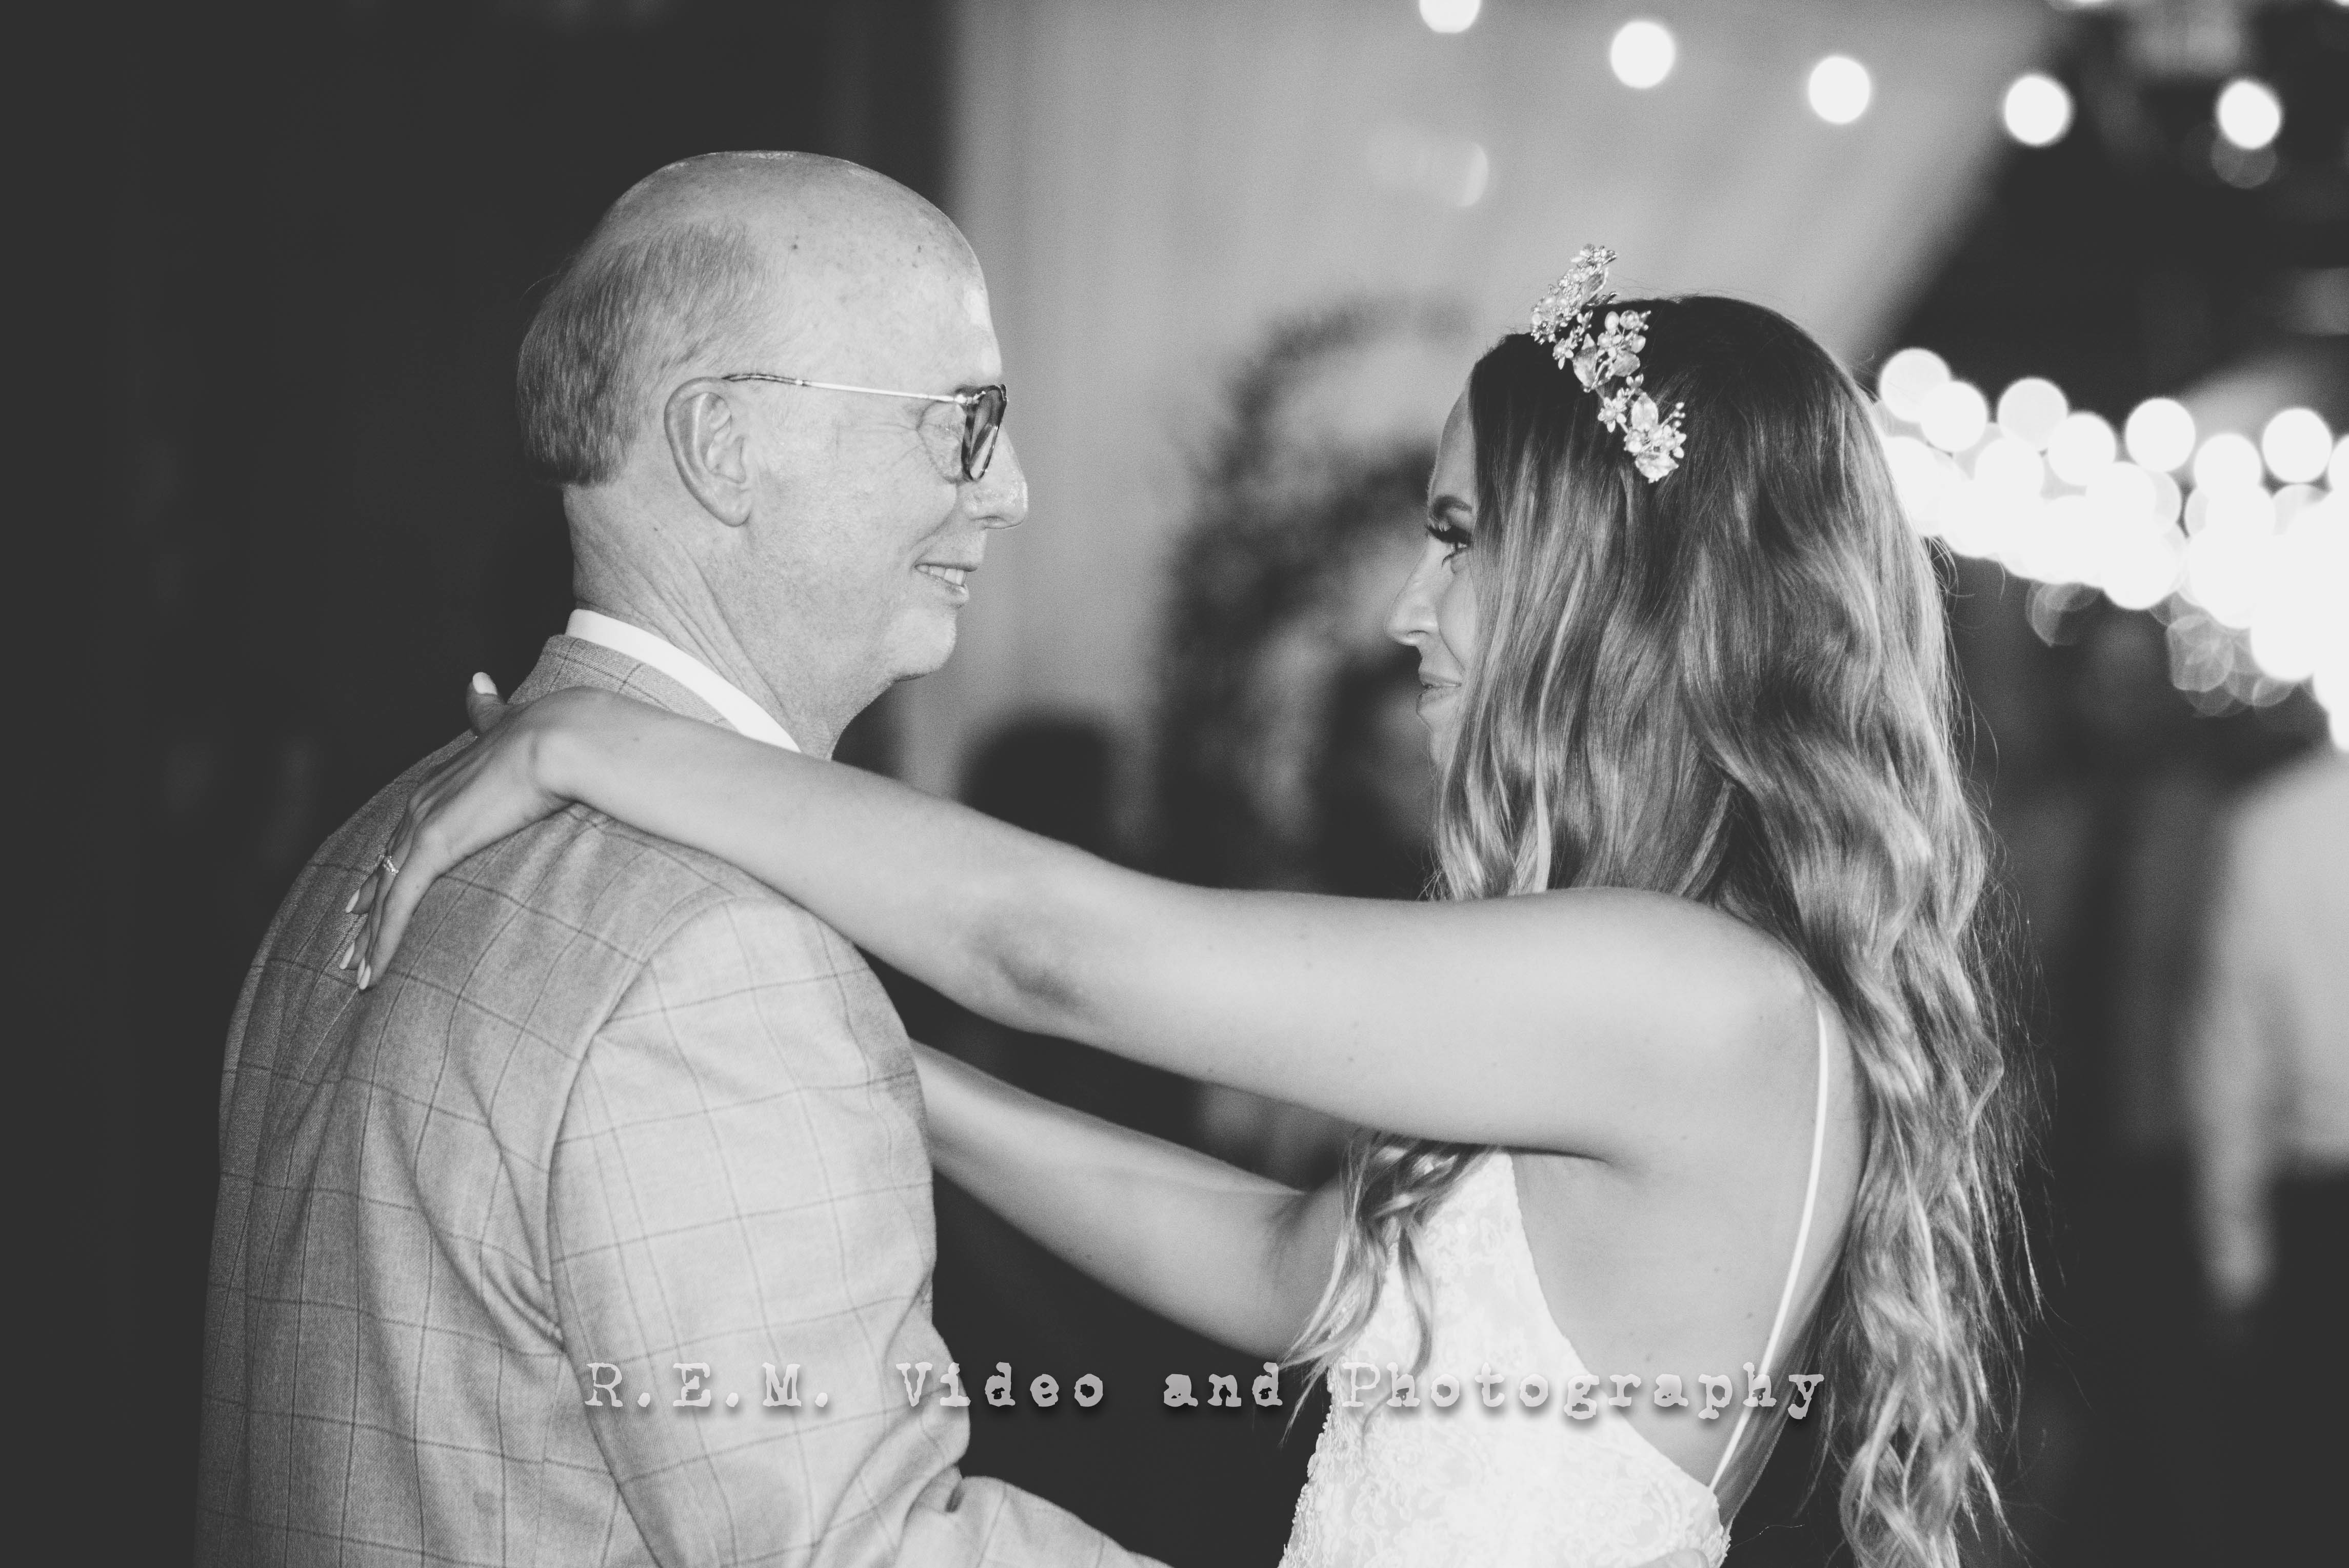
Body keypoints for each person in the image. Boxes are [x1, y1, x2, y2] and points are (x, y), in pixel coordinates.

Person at [353, 250, 2033, 1567]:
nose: (1409, 607)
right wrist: (854, 1049)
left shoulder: (1680, 988)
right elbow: (1284, 1262)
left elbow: (1053, 949)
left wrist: (608, 740)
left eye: (1460, 537)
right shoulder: (1672, 985)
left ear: (1615, 583)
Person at [198, 150, 1164, 1566]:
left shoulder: (367, 842)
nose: (1009, 488)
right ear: (724, 445)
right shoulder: (724, 957)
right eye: (964, 420)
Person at [2185, 745, 2349, 1560]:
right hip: (2317, 1205)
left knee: (2314, 1493)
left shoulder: (2271, 826)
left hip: (2320, 1216)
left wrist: (2235, 1263)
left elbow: (2230, 1066)